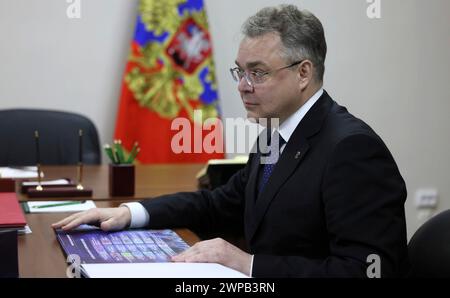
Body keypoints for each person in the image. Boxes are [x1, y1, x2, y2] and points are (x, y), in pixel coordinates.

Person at [53, 4, 409, 277]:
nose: (242, 85)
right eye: (241, 71)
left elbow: (368, 270)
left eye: (258, 72)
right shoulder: (277, 132)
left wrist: (248, 265)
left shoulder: (351, 149)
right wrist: (131, 213)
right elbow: (218, 205)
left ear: (304, 73)